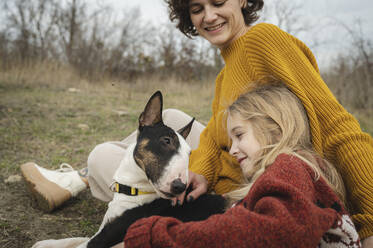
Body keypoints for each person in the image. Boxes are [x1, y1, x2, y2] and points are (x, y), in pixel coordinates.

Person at [21, 0, 373, 246]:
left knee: (103, 158)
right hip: (225, 173)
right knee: (171, 121)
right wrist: (200, 171)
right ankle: (76, 178)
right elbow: (214, 142)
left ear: (242, 0)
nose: (209, 16)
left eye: (218, 2)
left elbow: (338, 126)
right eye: (197, 8)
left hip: (244, 183)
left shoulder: (264, 41)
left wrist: (370, 220)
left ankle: (80, 178)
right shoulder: (224, 76)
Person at [123, 81, 361, 247]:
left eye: (239, 135)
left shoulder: (291, 166)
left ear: (276, 131)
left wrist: (155, 236)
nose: (233, 149)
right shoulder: (284, 172)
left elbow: (274, 233)